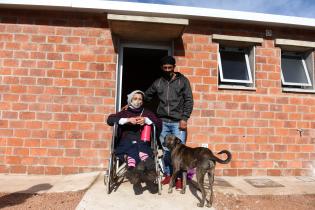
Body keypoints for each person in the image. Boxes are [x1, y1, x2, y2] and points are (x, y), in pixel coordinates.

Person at [144, 55, 194, 189]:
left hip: (178, 122)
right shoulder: (158, 82)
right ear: (162, 68)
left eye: (169, 67)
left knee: (180, 152)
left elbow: (189, 100)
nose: (167, 70)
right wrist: (131, 103)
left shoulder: (182, 81)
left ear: (174, 67)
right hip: (163, 122)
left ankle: (178, 178)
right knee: (166, 151)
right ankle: (167, 174)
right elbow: (146, 95)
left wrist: (184, 118)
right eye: (164, 68)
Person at [107, 90, 162, 185]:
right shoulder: (124, 112)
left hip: (142, 139)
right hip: (127, 139)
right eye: (135, 98)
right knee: (135, 144)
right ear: (130, 100)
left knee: (139, 143)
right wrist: (127, 120)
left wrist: (146, 120)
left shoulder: (146, 113)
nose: (138, 101)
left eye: (140, 99)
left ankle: (133, 168)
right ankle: (146, 165)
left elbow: (158, 123)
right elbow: (110, 119)